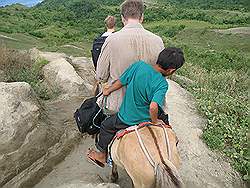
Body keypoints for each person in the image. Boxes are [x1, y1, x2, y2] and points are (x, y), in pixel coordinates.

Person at [87, 47, 185, 167]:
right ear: (171, 70)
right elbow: (153, 106)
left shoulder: (139, 66)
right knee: (167, 125)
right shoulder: (162, 83)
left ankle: (102, 156)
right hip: (145, 120)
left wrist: (108, 90)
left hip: (126, 119)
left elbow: (121, 82)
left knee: (105, 126)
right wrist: (154, 122)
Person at [96, 0, 164, 114]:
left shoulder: (112, 40)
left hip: (118, 106)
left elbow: (101, 75)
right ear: (142, 17)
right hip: (148, 106)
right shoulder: (158, 41)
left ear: (123, 18)